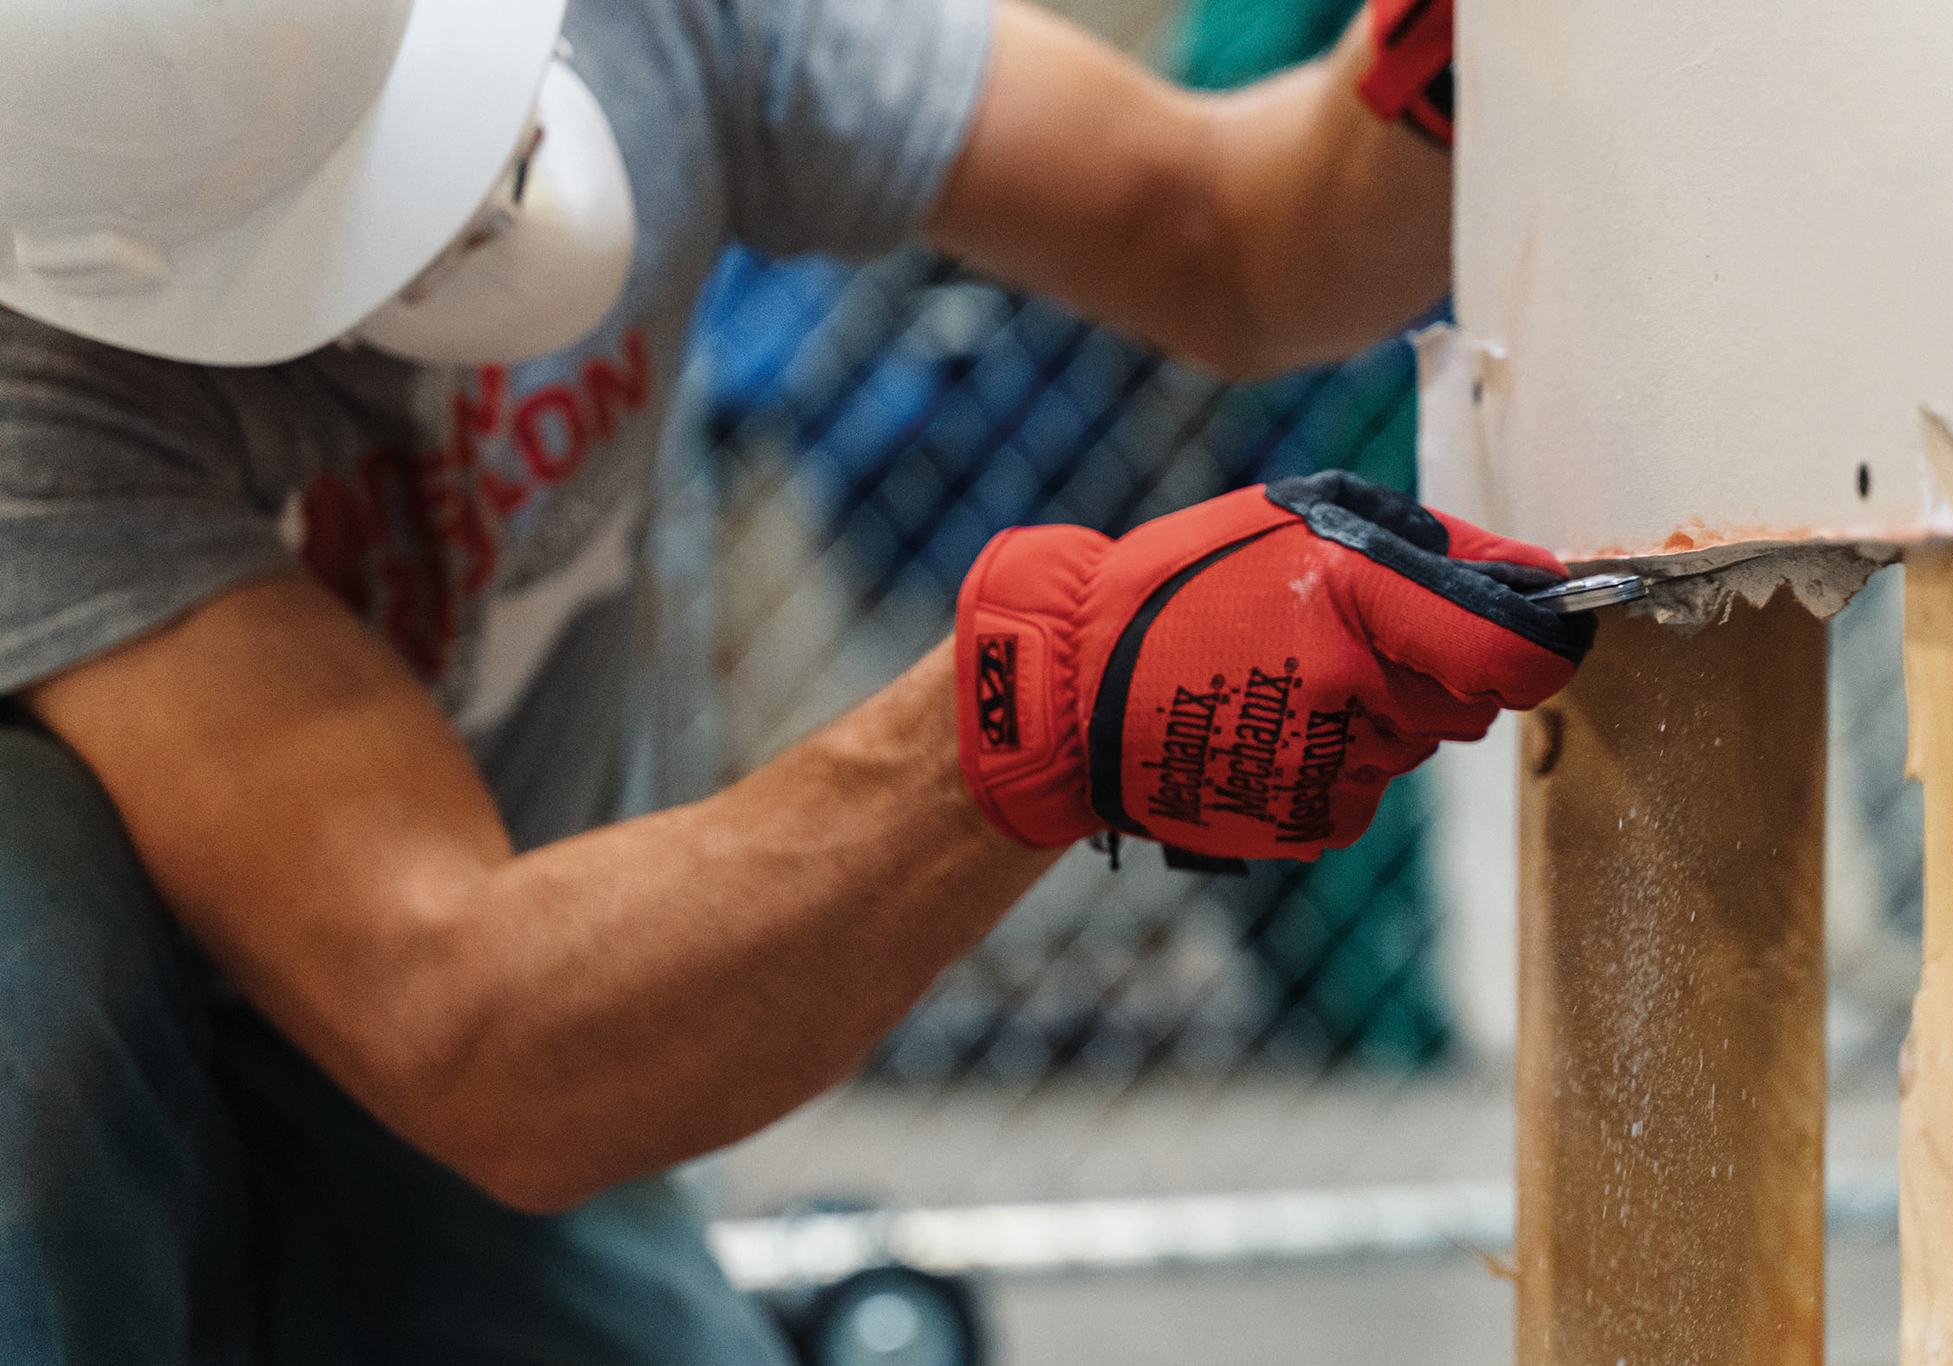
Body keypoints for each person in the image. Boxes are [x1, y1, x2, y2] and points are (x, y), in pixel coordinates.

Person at [0, 0, 1571, 1360]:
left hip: (500, 1050)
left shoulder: (653, 24)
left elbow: (1227, 233)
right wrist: (1041, 701)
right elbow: (458, 1002)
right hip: (169, 1056)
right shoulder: (37, 366)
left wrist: (1446, 64)